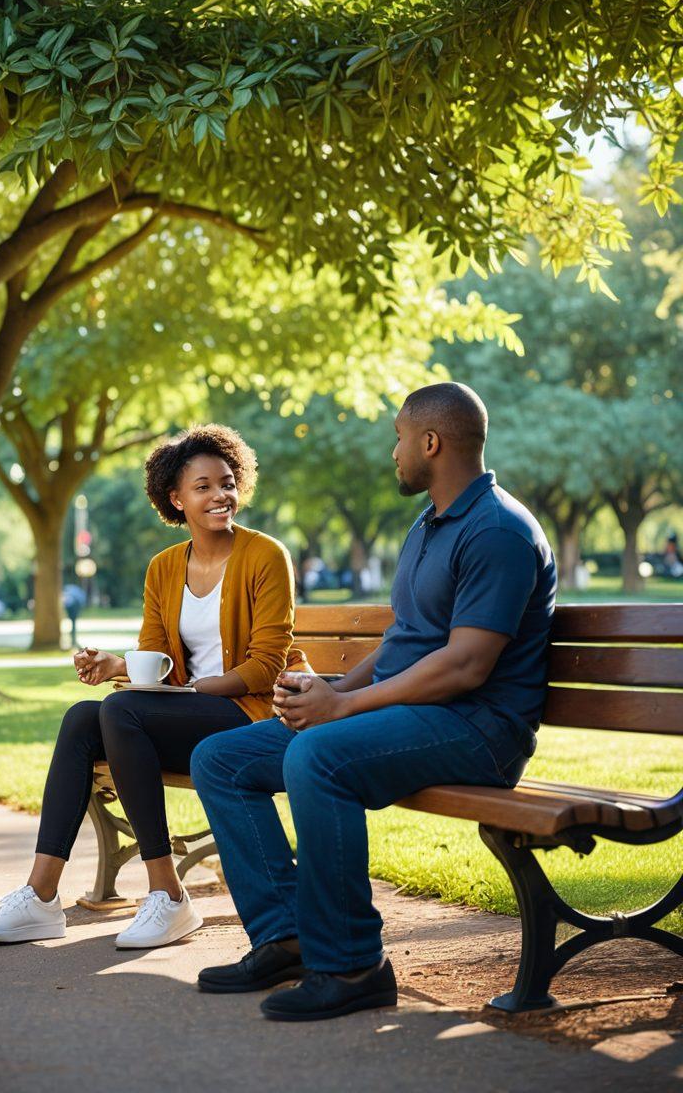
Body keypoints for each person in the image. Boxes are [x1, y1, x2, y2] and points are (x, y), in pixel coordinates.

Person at [191, 383, 557, 1022]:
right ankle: (286, 939)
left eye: (397, 437)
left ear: (430, 442)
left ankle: (354, 964)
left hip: (480, 731)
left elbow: (466, 665)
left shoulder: (497, 529)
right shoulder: (430, 524)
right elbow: (405, 644)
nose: (393, 451)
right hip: (418, 715)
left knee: (318, 756)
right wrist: (333, 690)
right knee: (221, 760)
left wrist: (342, 711)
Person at [0, 424, 305, 950]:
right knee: (84, 716)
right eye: (203, 487)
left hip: (251, 712)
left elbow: (265, 666)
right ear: (176, 498)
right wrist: (117, 664)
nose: (221, 495)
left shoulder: (264, 555)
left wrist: (187, 694)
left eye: (227, 482)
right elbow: (160, 658)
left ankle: (167, 895)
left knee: (122, 713)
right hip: (188, 712)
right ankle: (40, 896)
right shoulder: (164, 567)